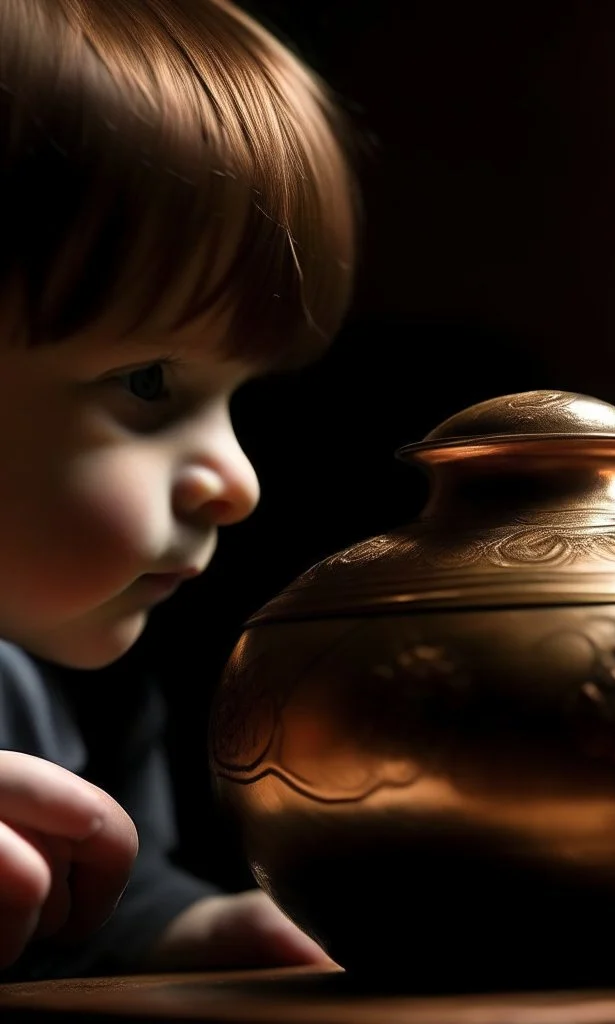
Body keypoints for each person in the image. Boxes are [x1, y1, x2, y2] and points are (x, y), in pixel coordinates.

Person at [0, 0, 356, 978]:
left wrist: (183, 927)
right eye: (148, 383)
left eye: (235, 398)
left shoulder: (72, 679)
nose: (235, 483)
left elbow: (100, 899)